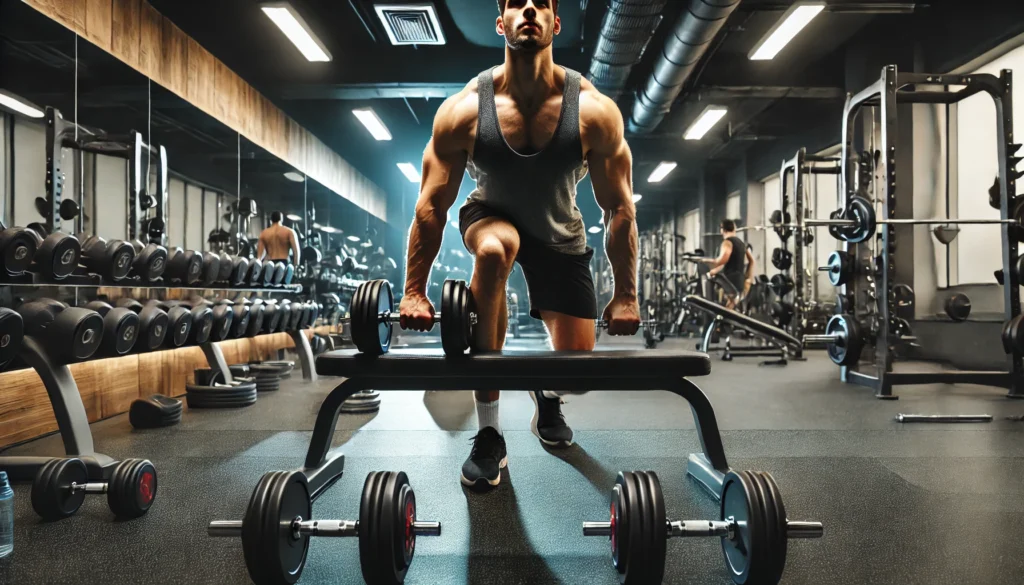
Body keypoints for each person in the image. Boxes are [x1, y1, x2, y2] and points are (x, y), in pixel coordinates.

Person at [398, 0, 641, 489]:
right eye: (515, 3)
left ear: (555, 22)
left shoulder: (593, 111)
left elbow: (619, 210)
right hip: (492, 218)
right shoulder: (465, 110)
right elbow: (431, 205)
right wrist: (413, 291)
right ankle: (490, 436)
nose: (528, 7)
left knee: (578, 375)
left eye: (542, 4)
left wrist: (626, 295)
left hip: (560, 234)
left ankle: (546, 392)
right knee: (491, 253)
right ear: (501, 23)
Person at [702, 219, 754, 310]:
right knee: (730, 307)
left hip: (730, 281)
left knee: (707, 278)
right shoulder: (741, 244)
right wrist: (748, 278)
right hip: (739, 280)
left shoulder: (727, 242)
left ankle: (709, 312)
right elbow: (752, 261)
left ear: (722, 230)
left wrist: (703, 260)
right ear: (734, 229)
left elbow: (721, 261)